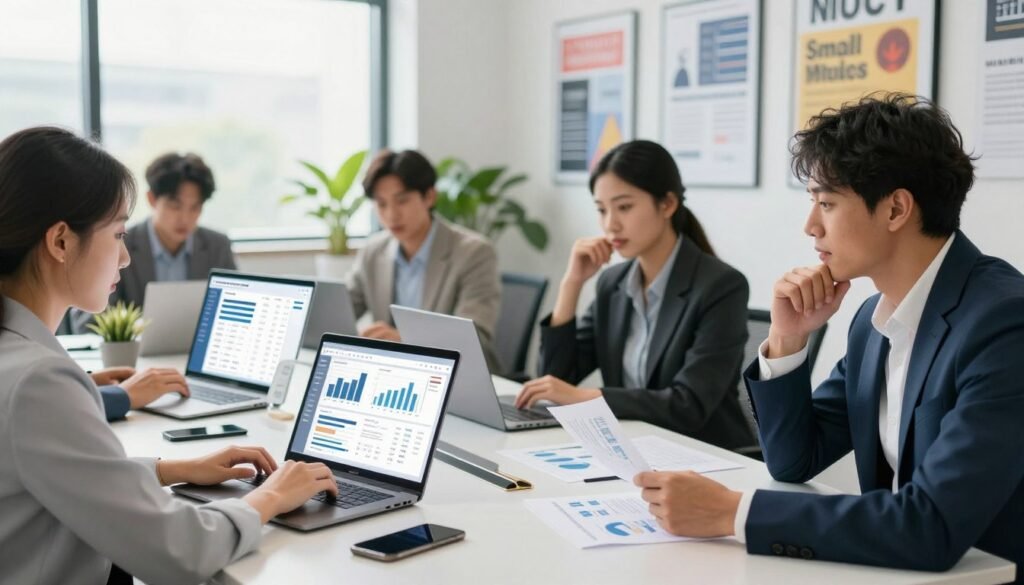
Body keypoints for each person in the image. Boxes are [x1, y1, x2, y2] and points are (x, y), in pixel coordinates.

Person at [634, 95, 1024, 580]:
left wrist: (731, 513)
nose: (810, 226)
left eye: (826, 203)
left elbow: (932, 526)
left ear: (896, 208)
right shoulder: (872, 321)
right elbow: (795, 460)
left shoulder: (1004, 323)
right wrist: (787, 339)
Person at [0, 126, 338, 585]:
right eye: (117, 234)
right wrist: (272, 496)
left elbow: (56, 472)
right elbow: (179, 551)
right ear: (60, 241)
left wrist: (172, 469)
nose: (124, 258)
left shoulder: (17, 358)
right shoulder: (40, 383)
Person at [515, 139, 755, 450]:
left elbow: (688, 405)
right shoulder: (612, 284)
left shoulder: (721, 286)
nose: (610, 224)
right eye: (602, 210)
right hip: (630, 448)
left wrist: (589, 399)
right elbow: (555, 379)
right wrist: (572, 283)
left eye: (624, 207)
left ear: (667, 204)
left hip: (703, 456)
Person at [73, 152, 237, 413]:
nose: (185, 217)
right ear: (152, 199)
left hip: (193, 372)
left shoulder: (217, 246)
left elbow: (234, 318)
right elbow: (89, 322)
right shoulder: (119, 241)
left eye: (195, 207)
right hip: (136, 371)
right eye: (175, 205)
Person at [346, 149, 502, 369]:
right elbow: (342, 310)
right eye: (381, 204)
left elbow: (475, 337)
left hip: (456, 376)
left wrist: (405, 339)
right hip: (393, 373)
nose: (391, 215)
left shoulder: (473, 253)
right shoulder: (373, 251)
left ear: (429, 196)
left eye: (402, 201)